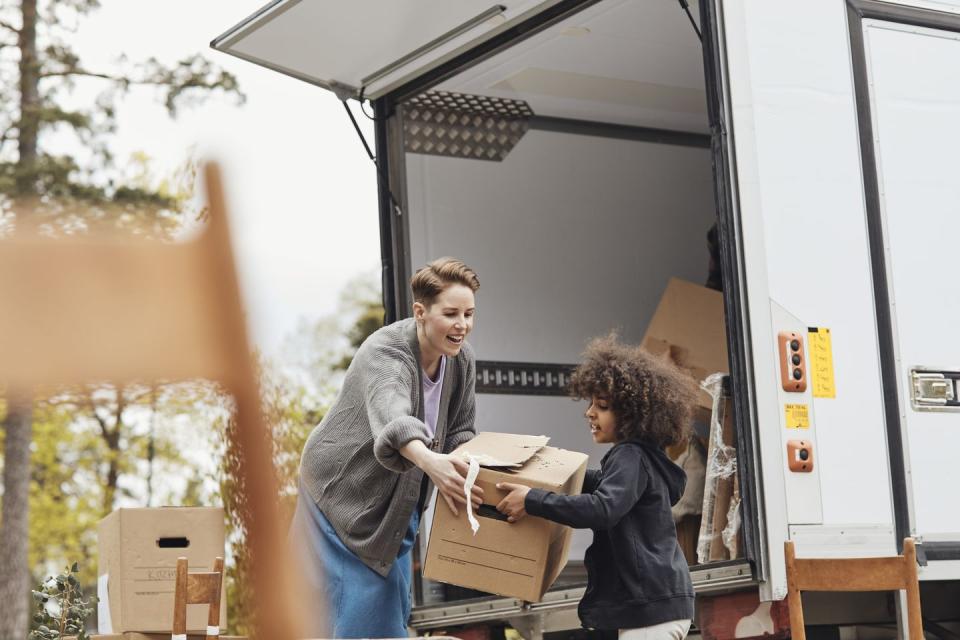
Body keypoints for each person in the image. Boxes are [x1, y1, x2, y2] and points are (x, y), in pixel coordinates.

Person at [290, 257, 484, 639]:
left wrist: (473, 472)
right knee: (359, 611)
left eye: (469, 313)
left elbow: (461, 429)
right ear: (420, 312)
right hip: (342, 496)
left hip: (399, 497)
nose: (462, 325)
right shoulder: (387, 352)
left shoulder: (461, 361)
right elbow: (394, 421)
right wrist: (432, 463)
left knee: (388, 609)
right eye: (451, 313)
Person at [496, 334, 697, 640]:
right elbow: (604, 486)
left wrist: (532, 500)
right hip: (659, 605)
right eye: (590, 403)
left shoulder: (630, 455)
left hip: (649, 612)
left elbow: (603, 508)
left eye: (601, 406)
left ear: (632, 414)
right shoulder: (644, 458)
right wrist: (558, 472)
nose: (589, 412)